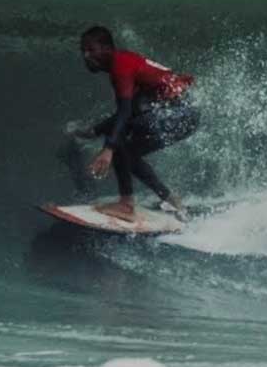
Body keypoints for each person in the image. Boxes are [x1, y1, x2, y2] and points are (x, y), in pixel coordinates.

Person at [71, 26, 198, 221]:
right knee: (127, 151)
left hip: (179, 114)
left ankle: (126, 204)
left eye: (91, 50)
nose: (86, 56)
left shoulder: (121, 66)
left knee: (121, 144)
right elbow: (132, 112)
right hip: (183, 114)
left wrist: (108, 148)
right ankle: (172, 200)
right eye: (83, 51)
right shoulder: (126, 61)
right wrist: (94, 131)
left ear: (106, 48)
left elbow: (125, 113)